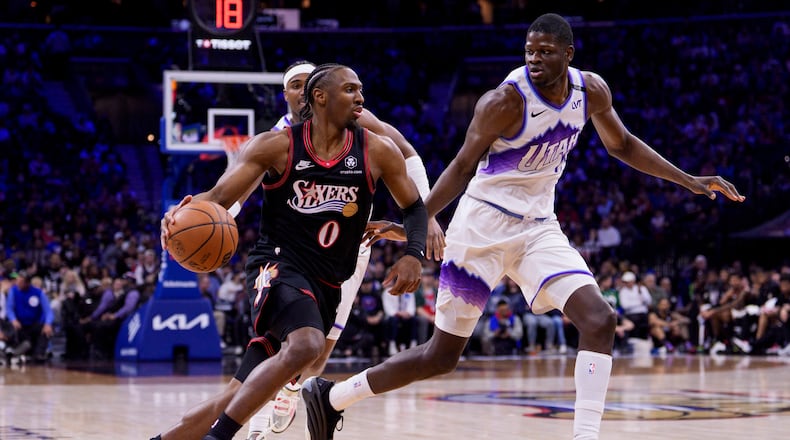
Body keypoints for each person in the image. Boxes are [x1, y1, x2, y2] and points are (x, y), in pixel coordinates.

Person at [302, 13, 746, 440]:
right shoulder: (504, 101)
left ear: (568, 54)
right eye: (530, 51)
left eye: (546, 52)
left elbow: (623, 144)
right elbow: (460, 168)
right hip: (480, 231)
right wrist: (413, 226)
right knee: (441, 356)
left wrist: (688, 179)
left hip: (538, 227)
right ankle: (333, 396)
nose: (535, 59)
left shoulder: (590, 90)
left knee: (600, 320)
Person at [152, 63, 427, 440]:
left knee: (239, 392)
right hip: (276, 266)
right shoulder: (276, 146)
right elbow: (217, 198)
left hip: (328, 281)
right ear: (320, 97)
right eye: (351, 90)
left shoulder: (377, 150)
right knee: (308, 345)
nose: (361, 97)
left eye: (360, 90)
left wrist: (413, 252)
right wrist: (179, 213)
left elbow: (413, 206)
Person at [239, 60, 444, 440]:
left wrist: (427, 214)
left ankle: (293, 392)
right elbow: (240, 188)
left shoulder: (359, 122)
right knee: (281, 341)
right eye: (295, 85)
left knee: (322, 346)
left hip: (347, 251)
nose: (301, 90)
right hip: (291, 254)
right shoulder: (278, 138)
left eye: (307, 82)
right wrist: (225, 211)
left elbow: (408, 153)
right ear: (287, 94)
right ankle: (255, 419)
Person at [5, 270, 55, 363]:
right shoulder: (13, 291)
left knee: (45, 329)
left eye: (21, 282)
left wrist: (48, 323)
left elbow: (48, 311)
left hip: (33, 324)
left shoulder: (38, 293)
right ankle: (14, 351)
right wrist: (13, 319)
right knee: (11, 328)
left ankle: (39, 354)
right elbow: (9, 308)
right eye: (18, 281)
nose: (18, 284)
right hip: (19, 324)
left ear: (27, 282)